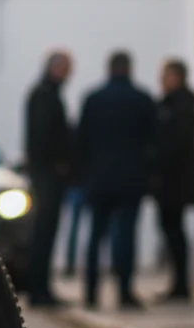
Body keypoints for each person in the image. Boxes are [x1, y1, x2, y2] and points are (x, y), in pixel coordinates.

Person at [76, 51, 157, 311]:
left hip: (98, 178)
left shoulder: (93, 99)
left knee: (95, 236)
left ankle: (90, 292)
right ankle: (124, 291)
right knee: (126, 235)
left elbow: (82, 139)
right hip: (131, 178)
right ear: (129, 69)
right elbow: (153, 139)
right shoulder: (142, 99)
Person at [24, 51, 74, 308]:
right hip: (47, 175)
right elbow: (46, 137)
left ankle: (42, 289)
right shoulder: (45, 95)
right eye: (67, 68)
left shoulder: (45, 93)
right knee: (44, 232)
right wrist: (60, 162)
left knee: (46, 232)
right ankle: (39, 290)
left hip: (46, 173)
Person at [154, 59, 194, 302]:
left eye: (165, 75)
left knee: (175, 233)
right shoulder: (171, 104)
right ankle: (178, 284)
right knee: (172, 232)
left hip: (175, 182)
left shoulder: (180, 105)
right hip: (170, 182)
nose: (161, 80)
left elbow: (174, 145)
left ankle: (181, 285)